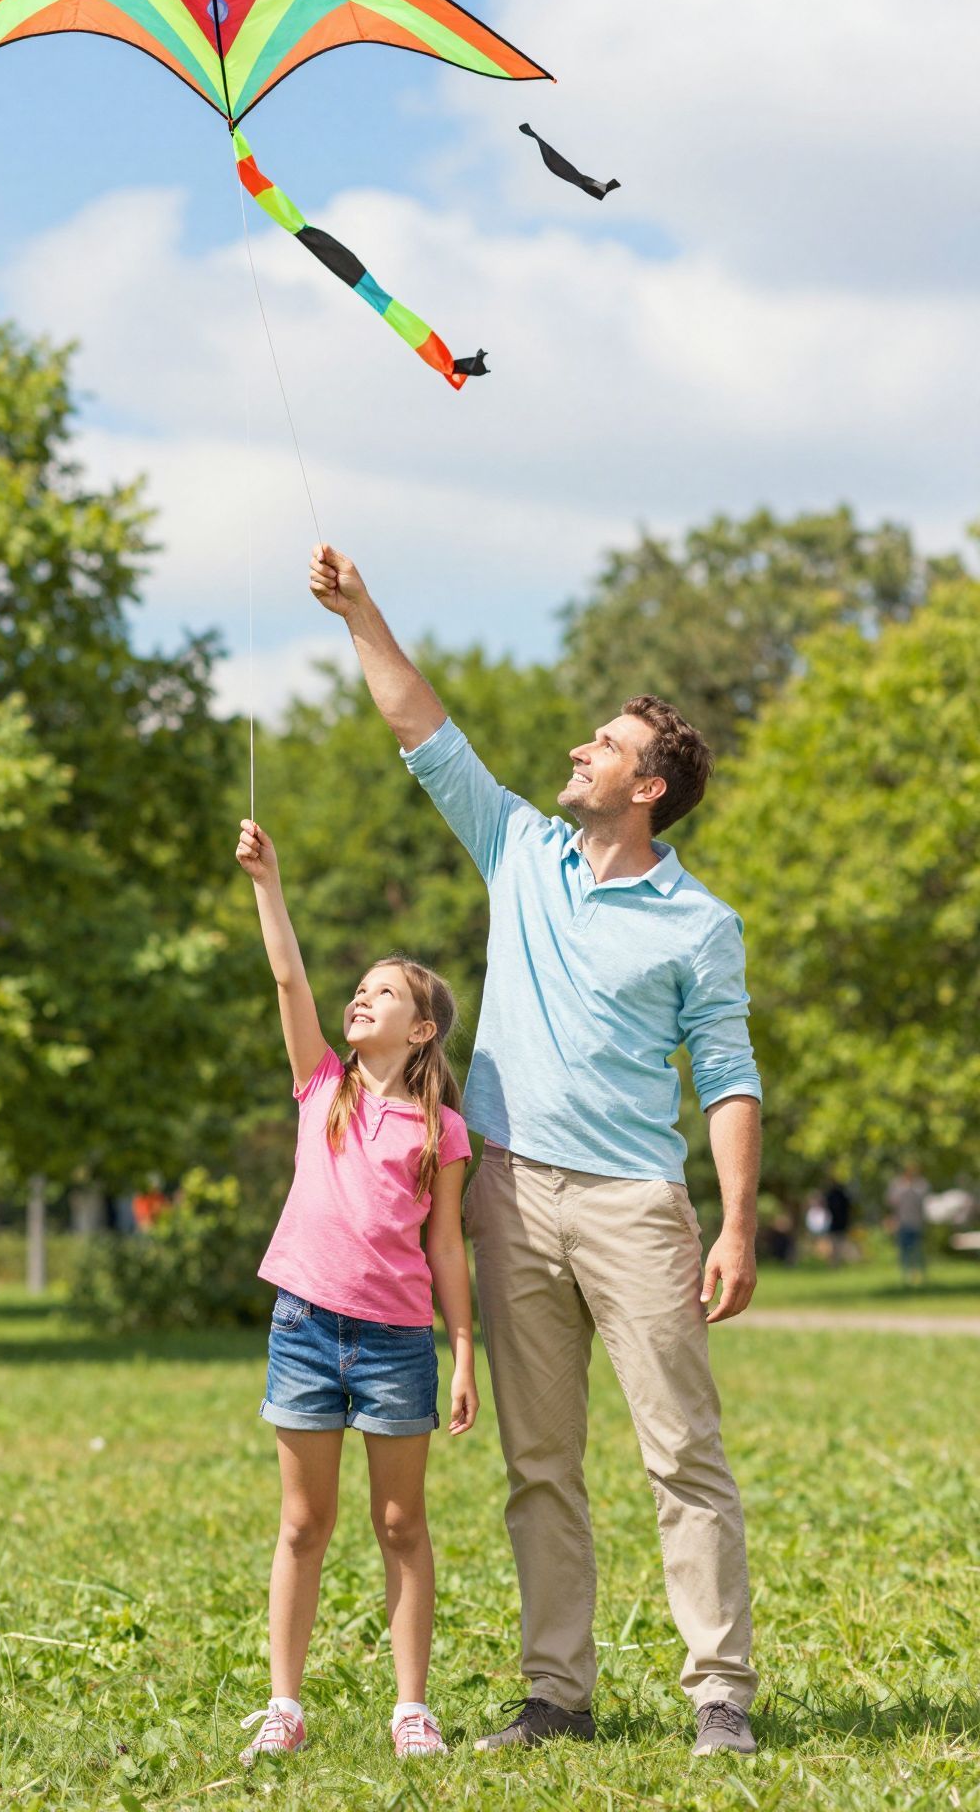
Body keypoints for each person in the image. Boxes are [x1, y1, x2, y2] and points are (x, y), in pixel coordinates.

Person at [309, 543, 763, 1761]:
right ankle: (556, 1690)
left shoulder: (699, 923)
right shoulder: (521, 852)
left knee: (683, 1452)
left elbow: (726, 1076)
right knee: (538, 1460)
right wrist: (362, 614)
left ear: (649, 785)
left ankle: (720, 1689)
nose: (579, 751)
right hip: (507, 1193)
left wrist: (733, 1220)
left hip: (633, 1205)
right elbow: (425, 731)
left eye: (604, 744)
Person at [234, 816, 478, 1767]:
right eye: (359, 989)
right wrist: (269, 882)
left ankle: (411, 1708)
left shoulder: (442, 1130)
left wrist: (464, 1353)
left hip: (395, 1343)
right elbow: (289, 976)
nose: (358, 998)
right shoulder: (322, 1088)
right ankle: (283, 1704)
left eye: (384, 992)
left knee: (399, 1523)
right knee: (305, 1521)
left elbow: (448, 1248)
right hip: (304, 1325)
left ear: (420, 1028)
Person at [886, 1163, 929, 1284]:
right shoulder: (897, 1185)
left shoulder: (921, 1185)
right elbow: (892, 1202)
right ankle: (905, 1276)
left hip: (917, 1223)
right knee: (904, 1251)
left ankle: (921, 1276)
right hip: (903, 1223)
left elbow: (923, 1200)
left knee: (918, 1251)